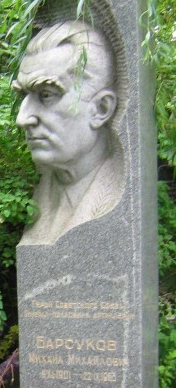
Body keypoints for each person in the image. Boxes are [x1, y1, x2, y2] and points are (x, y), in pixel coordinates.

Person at [12, 20, 124, 245]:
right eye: (23, 96)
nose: (22, 119)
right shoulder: (41, 197)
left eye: (46, 95)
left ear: (101, 109)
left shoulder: (114, 196)